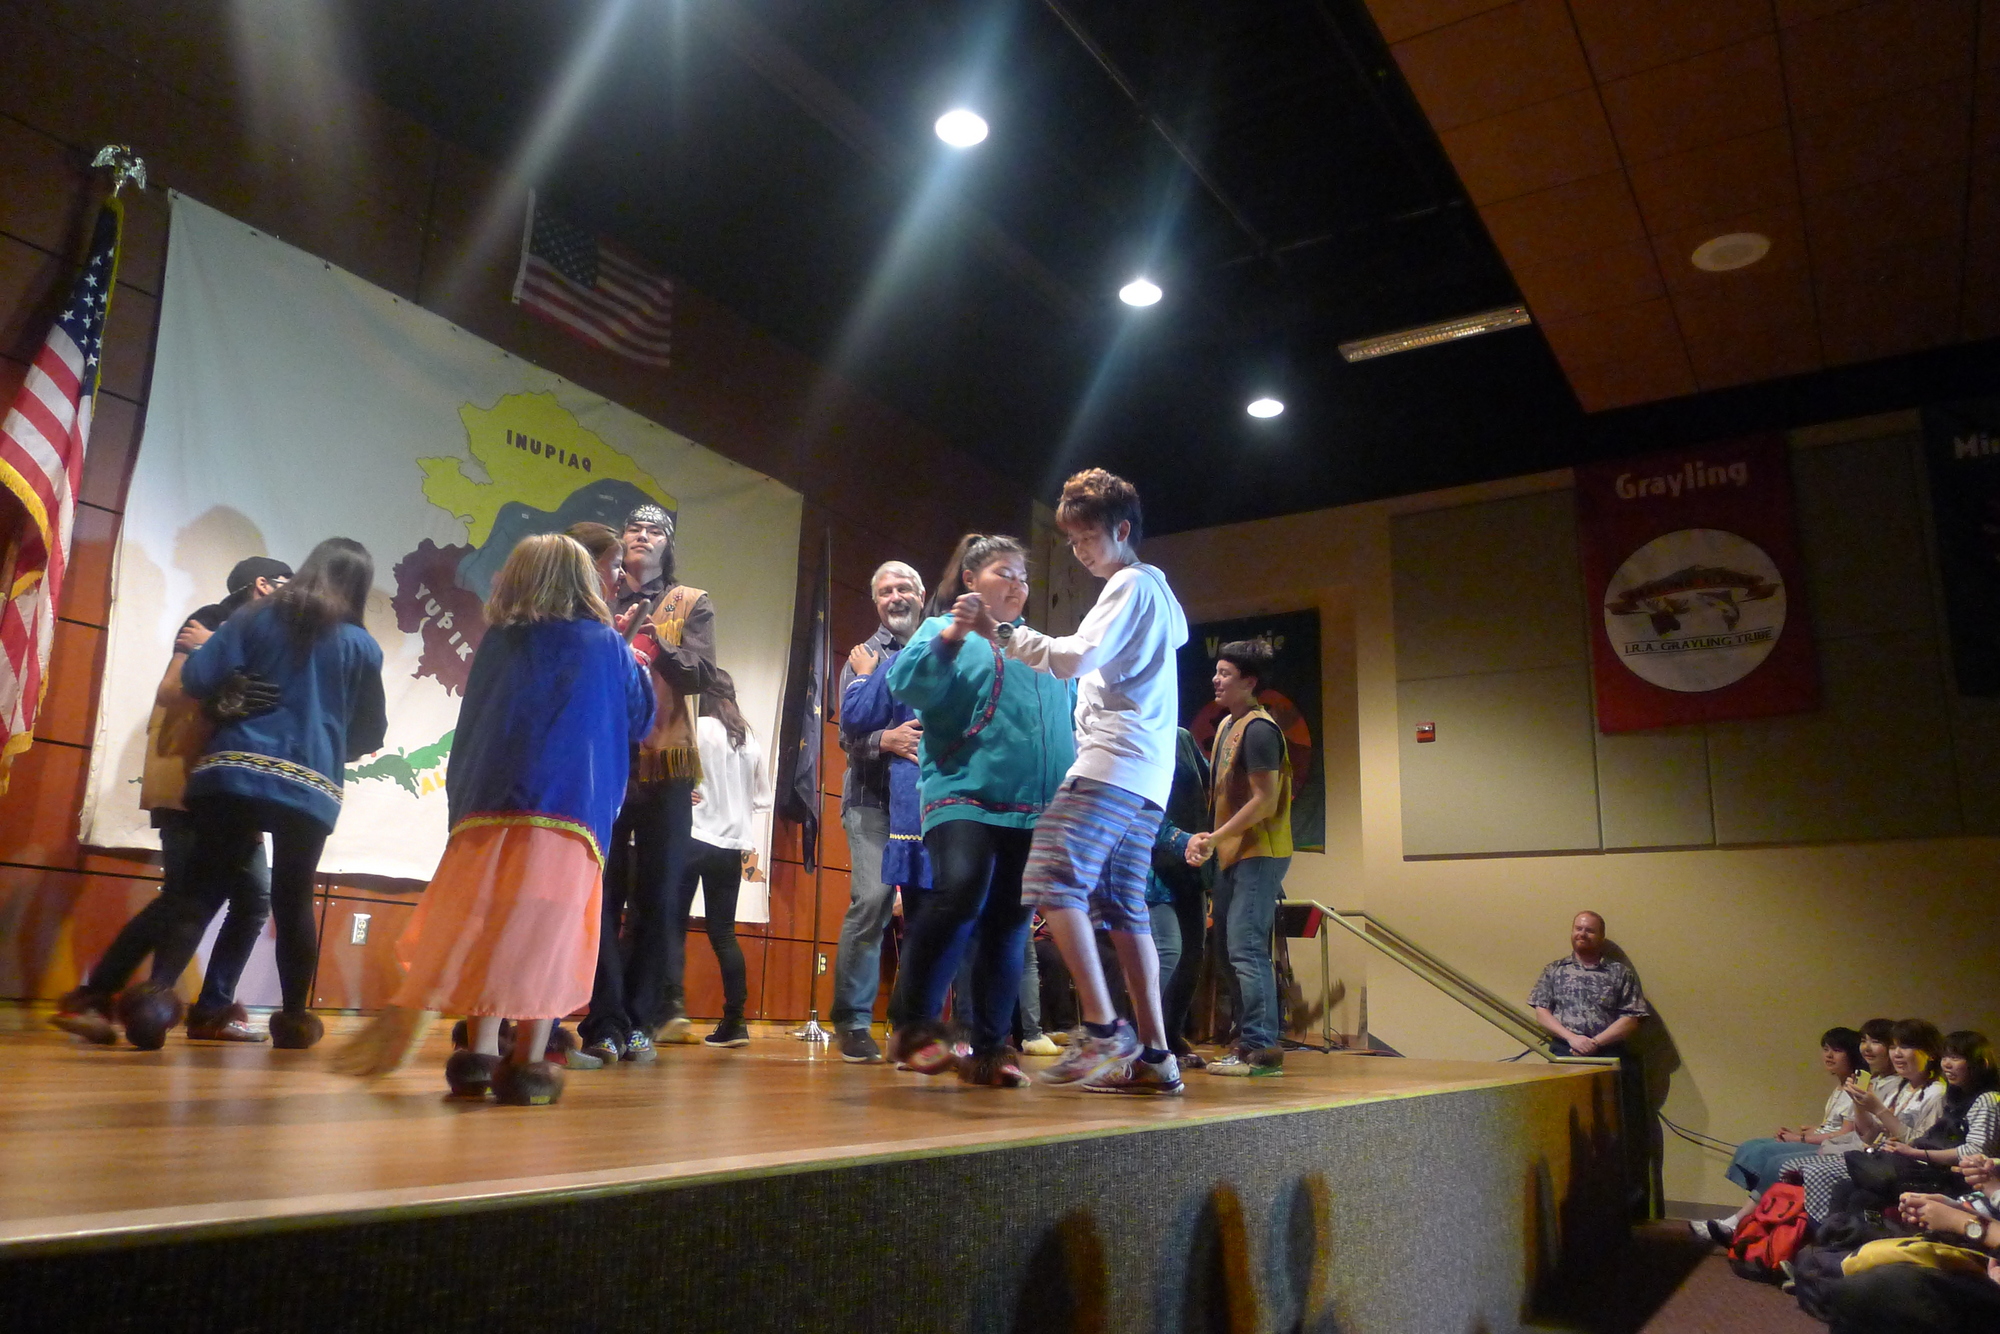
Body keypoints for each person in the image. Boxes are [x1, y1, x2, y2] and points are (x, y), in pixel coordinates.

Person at [334, 535, 654, 1104]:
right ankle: (528, 1062)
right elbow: (640, 717)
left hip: (485, 809)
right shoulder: (604, 643)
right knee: (548, 934)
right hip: (566, 810)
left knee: (490, 926)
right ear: (582, 582)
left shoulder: (499, 642)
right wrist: (630, 655)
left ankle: (479, 1054)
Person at [127, 538, 387, 1050]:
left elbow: (197, 677)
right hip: (310, 787)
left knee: (200, 893)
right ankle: (293, 1019)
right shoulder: (362, 645)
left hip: (231, 773)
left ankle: (154, 1004)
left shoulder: (254, 617)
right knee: (293, 901)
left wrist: (238, 684)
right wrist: (329, 739)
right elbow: (370, 733)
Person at [988, 468, 1191, 1096]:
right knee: (1125, 907)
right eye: (1072, 541)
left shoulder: (1129, 584)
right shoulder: (1158, 593)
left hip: (1114, 763)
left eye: (1087, 538)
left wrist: (1008, 633)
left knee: (1049, 873)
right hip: (1148, 777)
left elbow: (1075, 658)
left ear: (1122, 531)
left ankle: (1104, 1030)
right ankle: (1156, 1055)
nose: (1078, 551)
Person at [50, 558, 291, 1048]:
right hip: (195, 783)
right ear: (263, 585)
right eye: (289, 583)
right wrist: (219, 652)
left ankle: (200, 1008)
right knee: (189, 900)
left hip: (228, 787)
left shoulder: (244, 636)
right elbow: (171, 691)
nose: (297, 595)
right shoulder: (214, 620)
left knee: (245, 900)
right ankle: (111, 999)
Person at [883, 534, 1075, 1088]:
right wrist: (953, 634)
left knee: (1010, 921)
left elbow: (1067, 723)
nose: (1017, 584)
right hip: (961, 792)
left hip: (1034, 807)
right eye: (1003, 573)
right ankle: (914, 1027)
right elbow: (908, 682)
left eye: (1022, 576)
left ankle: (990, 1049)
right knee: (962, 890)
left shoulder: (1038, 647)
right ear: (970, 580)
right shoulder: (940, 631)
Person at [579, 503, 716, 1065]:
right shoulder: (596, 597)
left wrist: (659, 642)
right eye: (633, 528)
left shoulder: (690, 602)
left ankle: (638, 1020)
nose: (641, 535)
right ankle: (603, 1020)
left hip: (667, 761)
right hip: (605, 757)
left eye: (654, 529)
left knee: (658, 898)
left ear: (668, 543)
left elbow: (702, 675)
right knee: (600, 892)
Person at [831, 561, 926, 1063]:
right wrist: (886, 740)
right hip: (871, 801)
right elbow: (846, 736)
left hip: (928, 804)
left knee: (926, 912)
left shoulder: (940, 649)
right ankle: (852, 1021)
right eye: (885, 591)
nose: (895, 597)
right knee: (872, 901)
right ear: (876, 602)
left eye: (903, 588)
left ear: (921, 595)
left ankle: (912, 1024)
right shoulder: (862, 658)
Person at [1186, 639, 1293, 1078]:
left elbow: (1264, 801)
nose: (1216, 679)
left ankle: (1261, 1047)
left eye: (1226, 673)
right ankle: (1245, 1039)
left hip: (1259, 853)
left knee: (1247, 948)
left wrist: (1215, 838)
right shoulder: (1230, 725)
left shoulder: (1260, 730)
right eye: (1216, 671)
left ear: (1249, 681)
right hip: (1233, 853)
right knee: (1228, 951)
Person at [1693, 1026, 1864, 1244]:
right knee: (1750, 1147)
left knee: (1773, 1158)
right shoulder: (1840, 1086)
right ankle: (1756, 1218)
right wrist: (1809, 1130)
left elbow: (1846, 1133)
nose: (1829, 1056)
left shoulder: (1857, 1086)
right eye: (1826, 1049)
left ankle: (1736, 1222)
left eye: (1837, 1050)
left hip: (1835, 1146)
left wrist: (1799, 1139)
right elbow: (1833, 1125)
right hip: (1822, 1138)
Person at [1528, 910, 1652, 1206]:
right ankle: (1566, 1197)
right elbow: (1542, 1011)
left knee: (1610, 1131)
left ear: (1601, 937)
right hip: (1564, 1056)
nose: (1582, 934)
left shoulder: (1619, 973)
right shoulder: (1555, 970)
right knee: (1564, 1128)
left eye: (1590, 930)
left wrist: (1595, 1043)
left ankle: (1617, 1202)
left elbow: (1632, 1018)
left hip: (1608, 1058)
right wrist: (1572, 1039)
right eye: (1578, 928)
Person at [681, 669, 771, 1048]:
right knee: (723, 934)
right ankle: (735, 1021)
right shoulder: (748, 738)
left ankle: (660, 1013)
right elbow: (762, 798)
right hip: (732, 845)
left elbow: (676, 781)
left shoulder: (697, 729)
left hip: (695, 836)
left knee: (671, 926)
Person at [1792, 1018, 1950, 1222]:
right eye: (1893, 1047)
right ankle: (1821, 1235)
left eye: (1905, 1047)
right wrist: (1859, 1102)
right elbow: (1868, 1136)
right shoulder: (1902, 1087)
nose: (1897, 1054)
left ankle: (1828, 1235)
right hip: (1879, 1160)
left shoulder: (1936, 1093)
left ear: (1931, 1053)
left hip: (1909, 1169)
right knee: (1812, 1173)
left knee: (1820, 1174)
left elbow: (1921, 1145)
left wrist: (1878, 1108)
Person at [1149, 727, 1209, 1067]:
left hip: (1190, 864)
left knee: (1193, 953)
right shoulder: (1137, 737)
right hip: (1153, 865)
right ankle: (1149, 1041)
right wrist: (1181, 840)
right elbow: (1143, 809)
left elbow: (1210, 782)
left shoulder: (1182, 737)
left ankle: (1170, 1033)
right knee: (1168, 951)